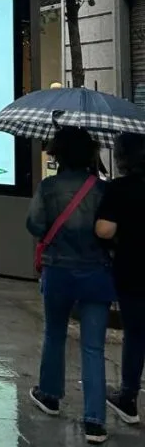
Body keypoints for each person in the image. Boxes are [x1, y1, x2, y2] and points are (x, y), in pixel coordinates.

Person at [27, 127, 112, 445]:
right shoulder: (102, 190)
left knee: (54, 333)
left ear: (59, 154)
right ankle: (95, 421)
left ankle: (49, 395)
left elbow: (34, 224)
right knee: (93, 347)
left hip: (58, 271)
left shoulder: (48, 188)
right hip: (96, 274)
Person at [95, 132, 145, 428]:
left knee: (137, 334)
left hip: (133, 270)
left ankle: (128, 397)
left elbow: (104, 230)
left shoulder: (120, 188)